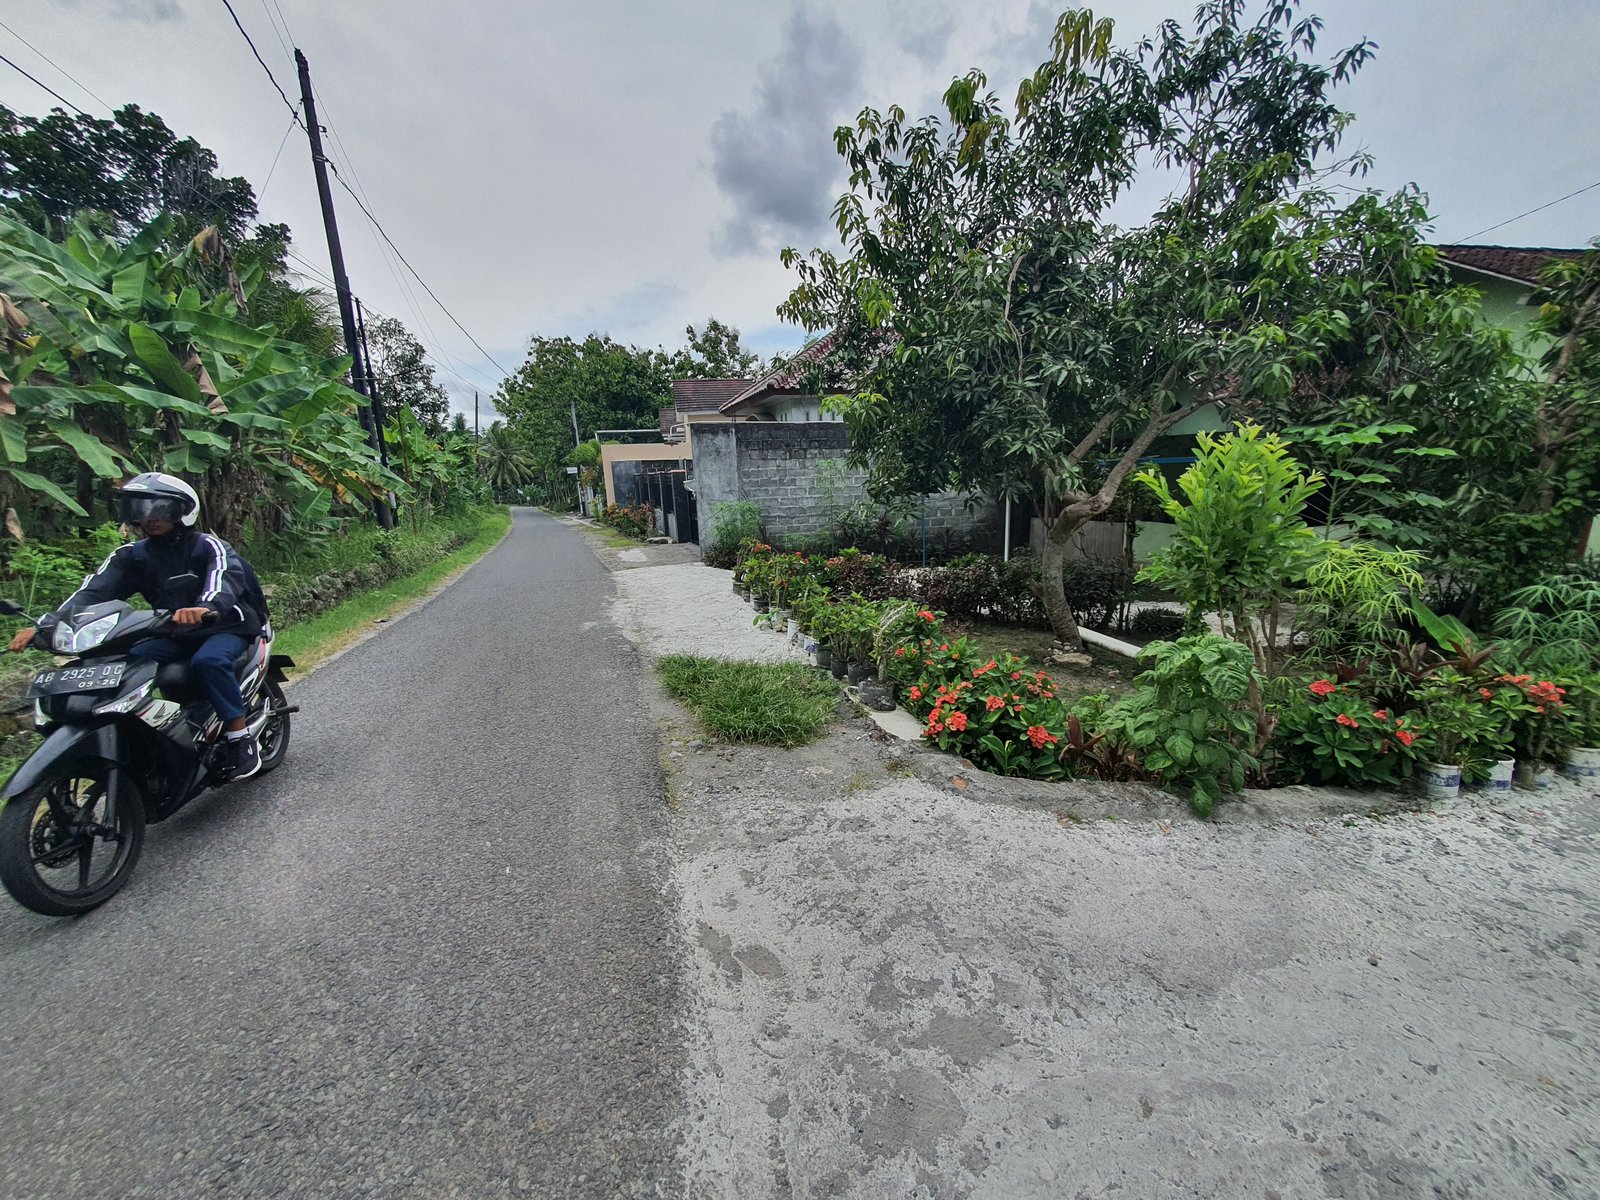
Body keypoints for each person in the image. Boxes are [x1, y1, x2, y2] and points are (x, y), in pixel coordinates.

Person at [8, 472, 271, 780]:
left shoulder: (208, 545)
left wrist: (207, 607)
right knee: (127, 664)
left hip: (224, 626)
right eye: (140, 510)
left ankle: (240, 739)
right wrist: (44, 626)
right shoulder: (132, 556)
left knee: (209, 662)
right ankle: (152, 733)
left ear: (182, 511)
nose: (149, 519)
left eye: (159, 509)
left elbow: (223, 578)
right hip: (173, 630)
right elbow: (90, 593)